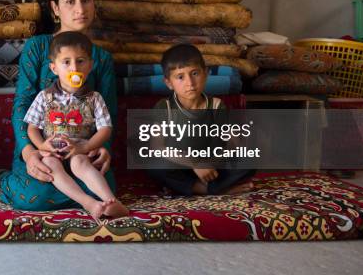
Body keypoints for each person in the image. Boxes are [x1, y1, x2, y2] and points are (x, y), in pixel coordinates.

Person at [0, 0, 118, 211]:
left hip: (82, 150)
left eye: (86, 0)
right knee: (35, 197)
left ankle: (94, 201)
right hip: (42, 148)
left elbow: (108, 114)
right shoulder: (38, 47)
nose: (80, 9)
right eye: (70, 1)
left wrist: (103, 149)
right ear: (55, 8)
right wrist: (30, 152)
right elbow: (22, 104)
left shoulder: (102, 58)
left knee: (103, 188)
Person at [24, 31, 128, 219]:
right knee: (49, 163)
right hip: (53, 148)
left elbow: (106, 129)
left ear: (90, 65)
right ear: (54, 68)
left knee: (81, 163)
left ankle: (112, 201)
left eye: (80, 61)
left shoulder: (94, 98)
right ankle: (88, 203)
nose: (74, 68)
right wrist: (41, 146)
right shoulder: (44, 97)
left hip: (80, 148)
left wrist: (87, 146)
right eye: (66, 62)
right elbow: (32, 128)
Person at [148, 44, 255, 195]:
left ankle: (193, 188)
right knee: (154, 164)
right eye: (180, 77)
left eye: (195, 73)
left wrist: (212, 160)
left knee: (250, 156)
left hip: (213, 167)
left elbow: (231, 144)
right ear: (169, 83)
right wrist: (195, 163)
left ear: (206, 74)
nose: (190, 83)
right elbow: (157, 148)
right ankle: (212, 190)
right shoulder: (164, 107)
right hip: (182, 166)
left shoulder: (217, 105)